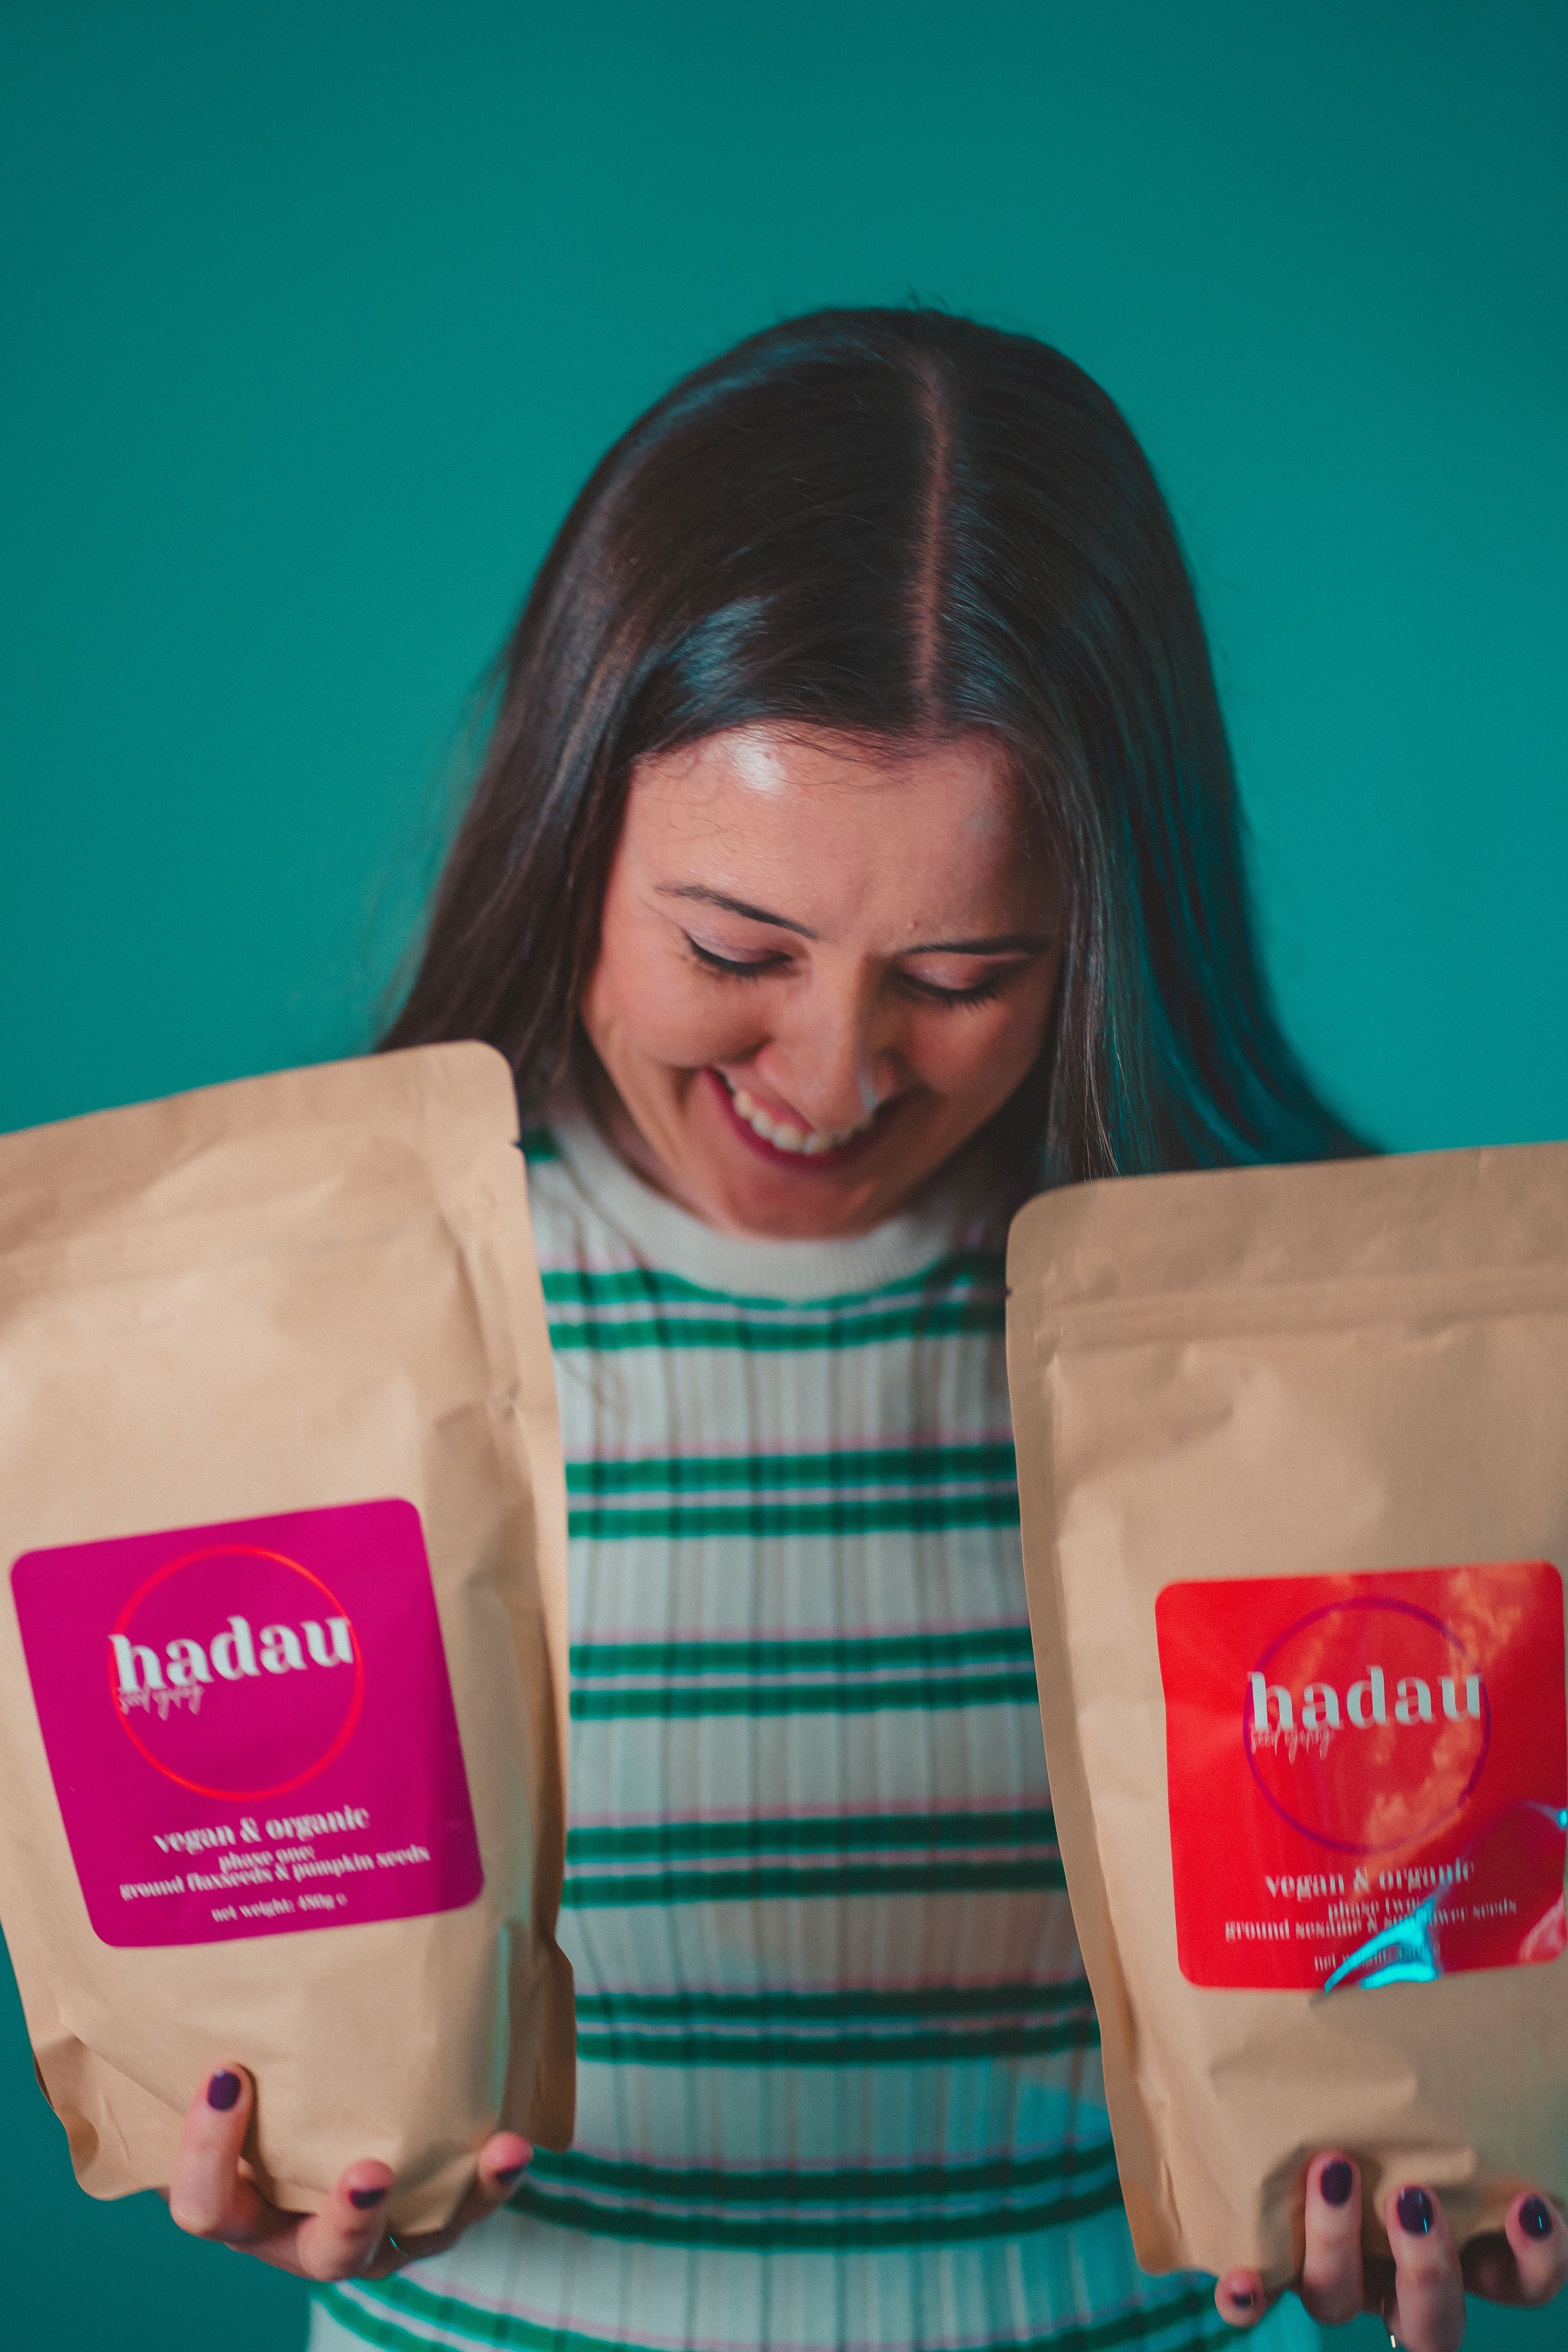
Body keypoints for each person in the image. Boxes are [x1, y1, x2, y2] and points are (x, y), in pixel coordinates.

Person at [163, 310, 1566, 2352]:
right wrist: (244, 2113)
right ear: (568, 834)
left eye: (963, 974)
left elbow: (1446, 1936)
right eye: (734, 946)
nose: (831, 1072)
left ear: (1096, 928)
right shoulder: (330, 1325)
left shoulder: (1322, 1375)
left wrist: (1472, 2110)